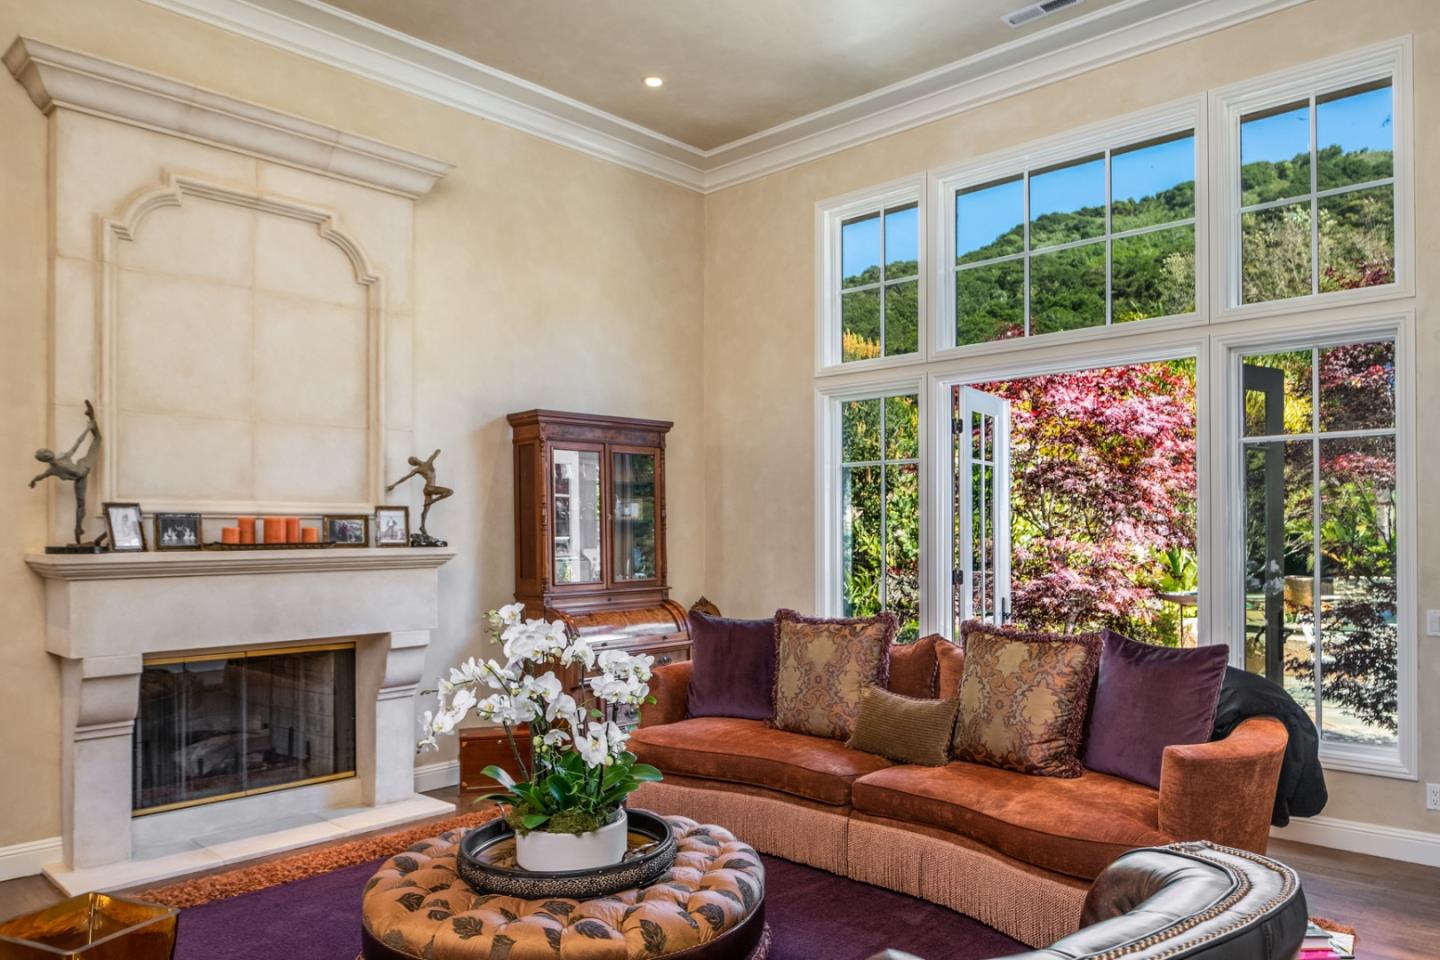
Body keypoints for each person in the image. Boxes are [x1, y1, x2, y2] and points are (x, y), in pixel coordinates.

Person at [30, 400, 102, 545]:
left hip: (84, 466)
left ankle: (91, 418)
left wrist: (88, 429)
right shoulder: (53, 469)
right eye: (44, 454)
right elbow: (40, 476)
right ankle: (78, 529)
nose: (47, 452)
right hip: (80, 478)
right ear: (44, 459)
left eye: (45, 451)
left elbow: (77, 443)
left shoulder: (61, 458)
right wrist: (34, 480)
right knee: (81, 505)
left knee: (98, 439)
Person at [387, 449, 452, 538]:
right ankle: (433, 501)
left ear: (416, 458)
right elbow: (405, 478)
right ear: (414, 463)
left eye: (413, 459)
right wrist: (393, 485)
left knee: (426, 510)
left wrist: (438, 451)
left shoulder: (429, 462)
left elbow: (435, 454)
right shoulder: (418, 469)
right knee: (449, 492)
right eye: (412, 461)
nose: (414, 460)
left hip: (428, 489)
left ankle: (422, 526)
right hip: (430, 488)